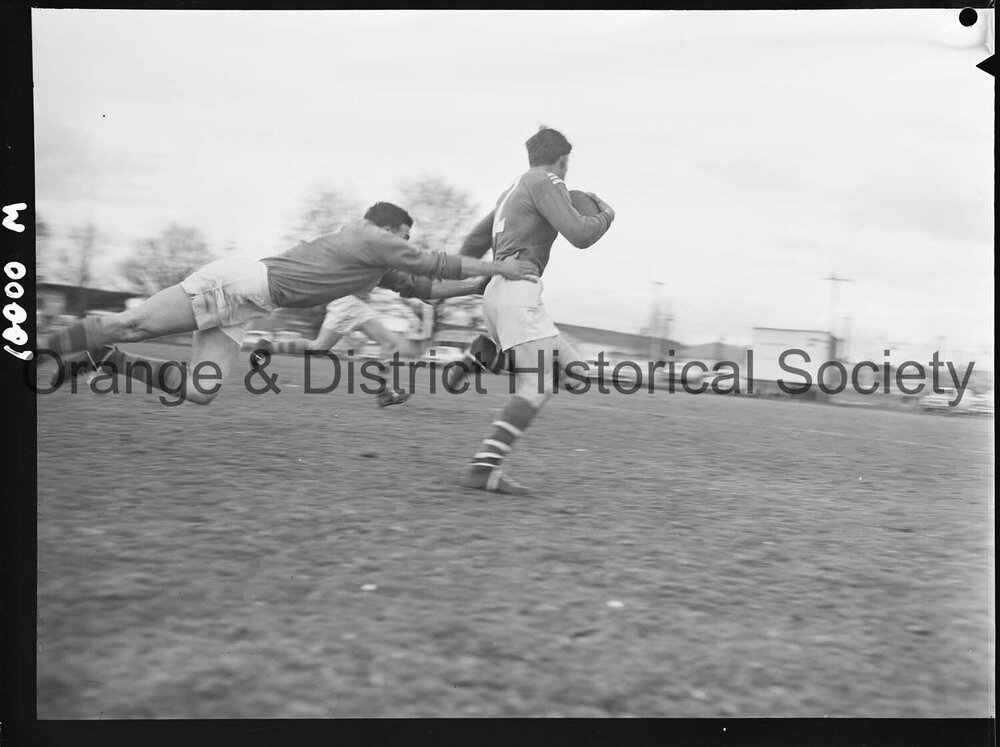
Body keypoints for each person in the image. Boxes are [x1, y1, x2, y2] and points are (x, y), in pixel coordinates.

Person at [38, 202, 537, 405]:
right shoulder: (368, 236)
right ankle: (32, 350)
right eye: (404, 235)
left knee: (199, 391)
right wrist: (501, 269)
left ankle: (103, 359)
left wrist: (476, 288)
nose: (406, 243)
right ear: (384, 227)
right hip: (237, 284)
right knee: (131, 324)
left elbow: (423, 287)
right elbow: (431, 263)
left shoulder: (375, 258)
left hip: (248, 305)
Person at [453, 127, 615, 495]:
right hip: (518, 290)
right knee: (538, 384)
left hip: (500, 289)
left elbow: (473, 243)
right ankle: (484, 468)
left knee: (575, 374)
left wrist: (480, 279)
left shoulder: (511, 190)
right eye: (567, 163)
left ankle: (486, 355)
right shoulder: (548, 180)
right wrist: (607, 215)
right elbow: (581, 235)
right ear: (563, 159)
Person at [250, 292, 420, 407]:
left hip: (353, 304)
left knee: (388, 343)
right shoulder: (376, 246)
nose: (406, 239)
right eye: (405, 235)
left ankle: (385, 392)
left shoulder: (383, 249)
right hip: (348, 304)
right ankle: (268, 348)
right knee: (318, 348)